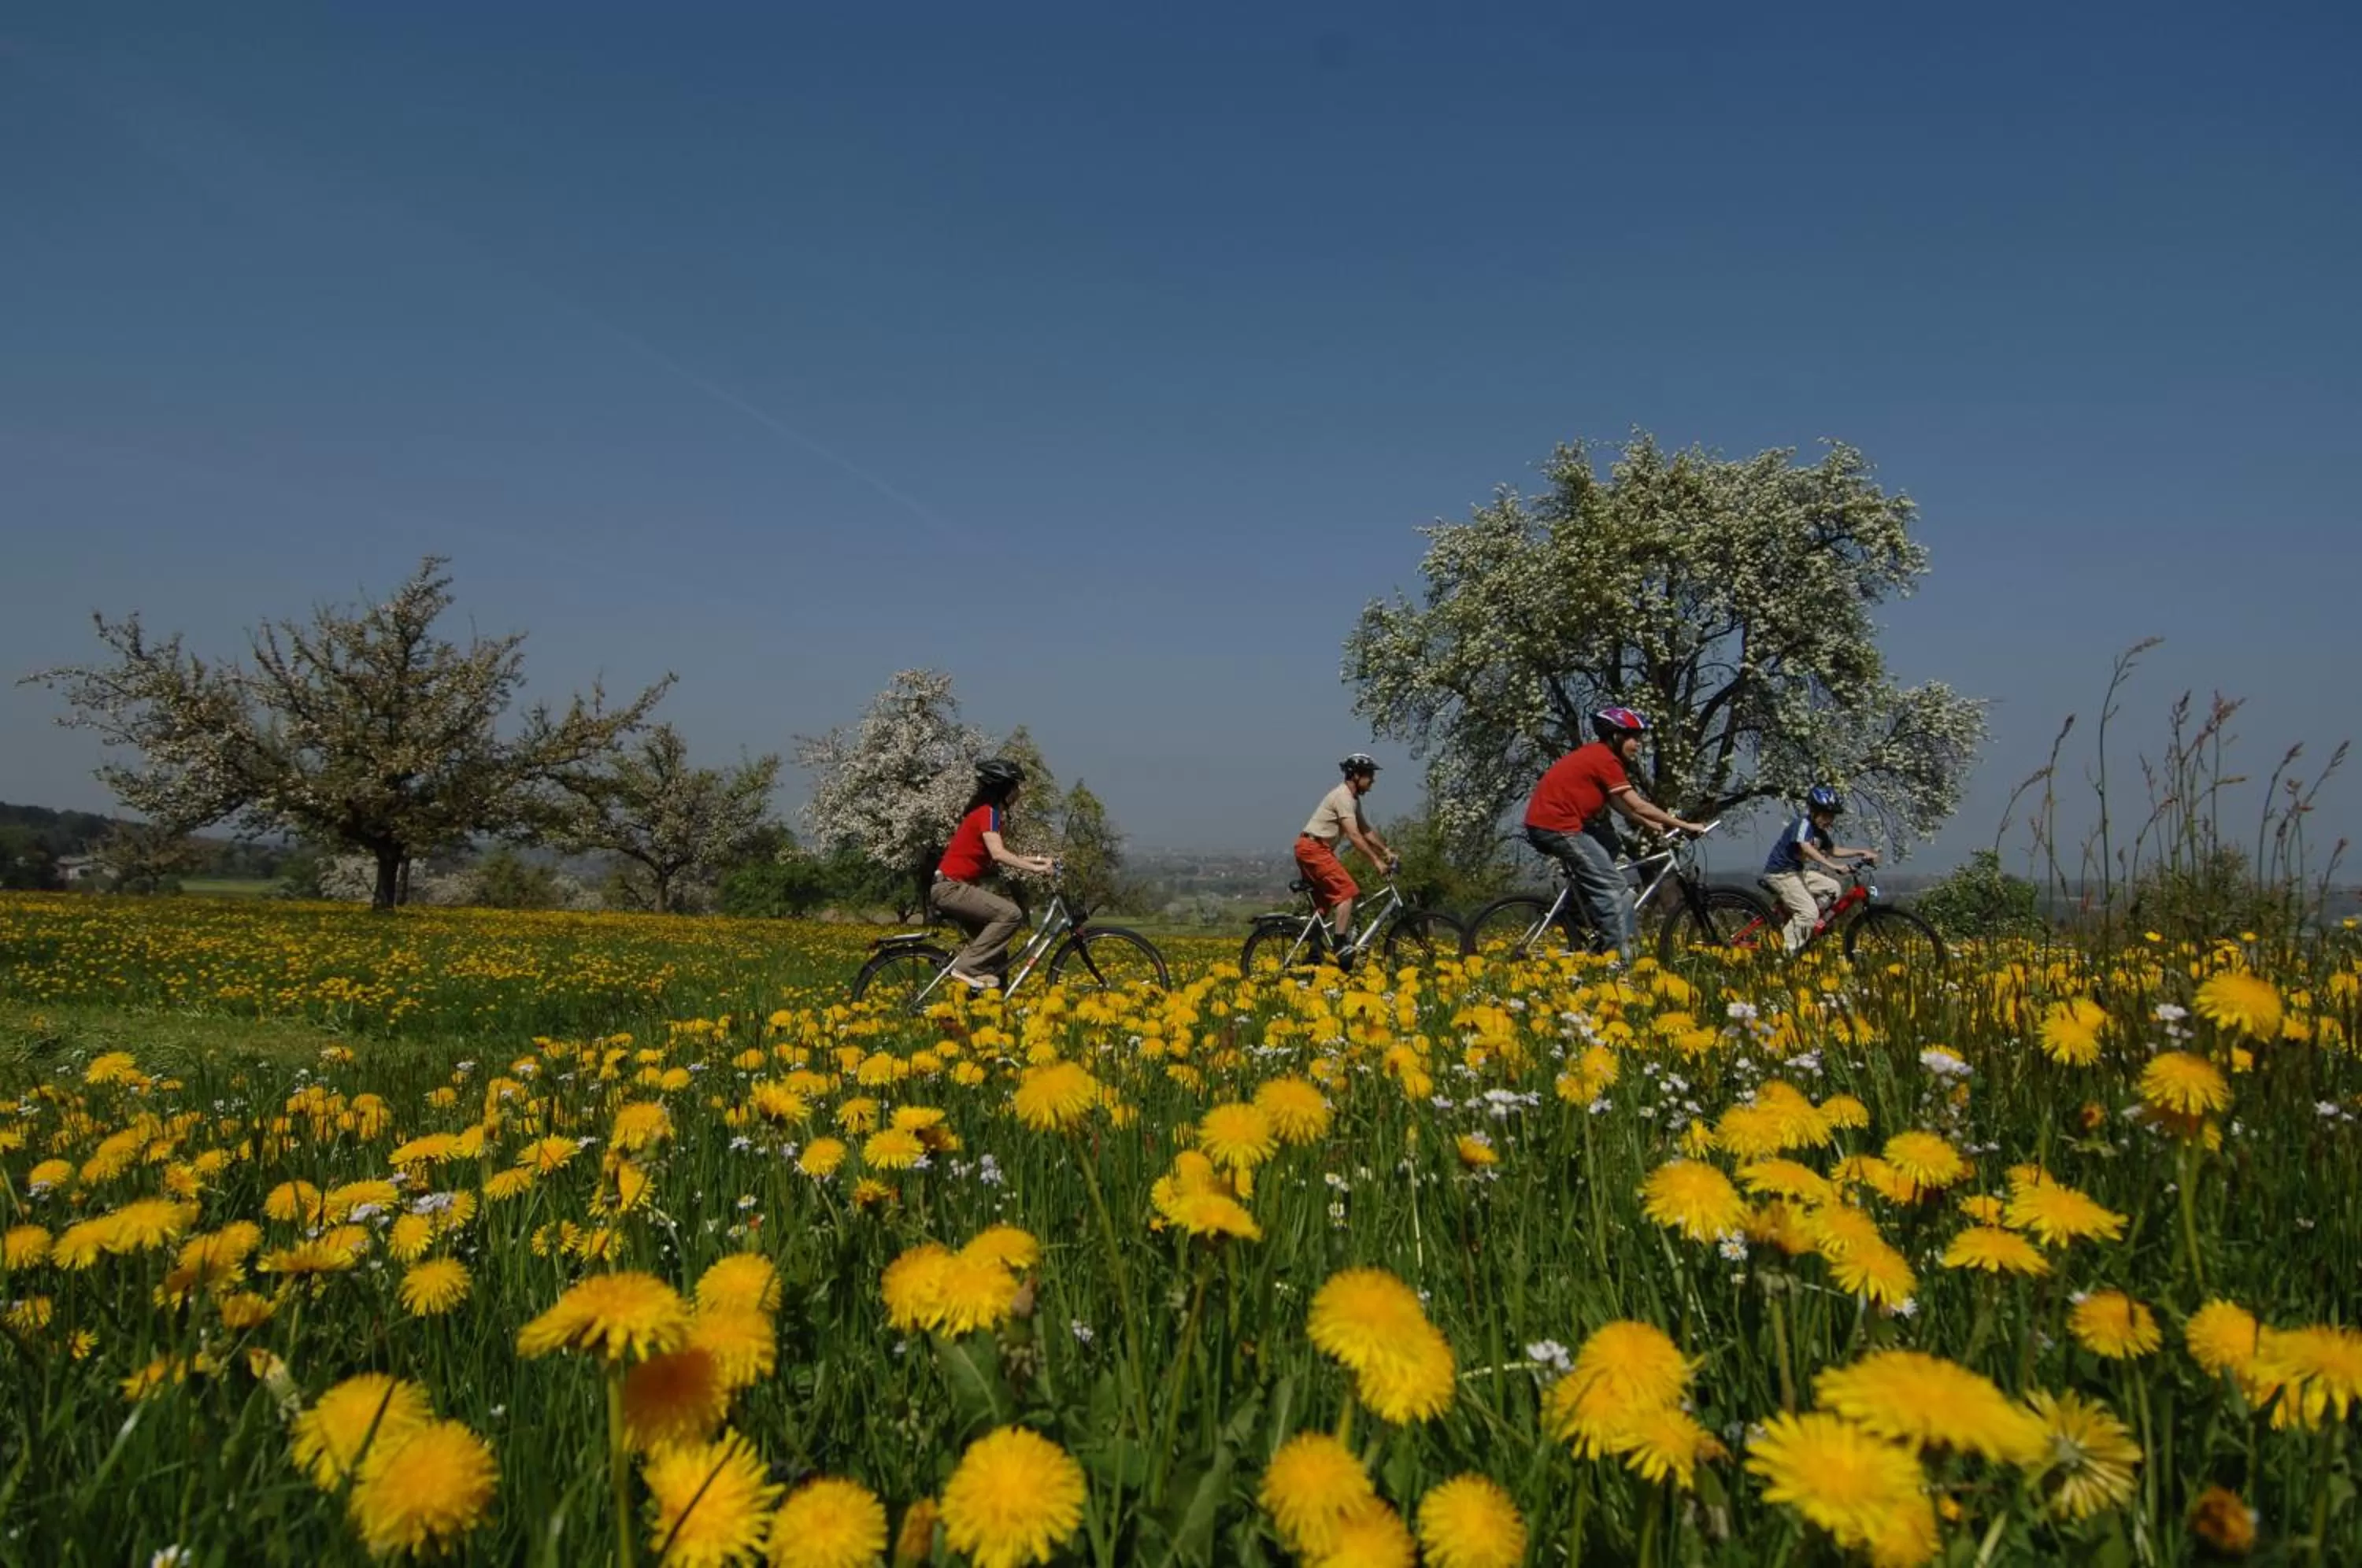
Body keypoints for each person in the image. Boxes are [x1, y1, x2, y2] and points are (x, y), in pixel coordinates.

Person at [1521, 707, 1708, 961]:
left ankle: (1579, 912)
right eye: (1633, 738)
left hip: (1554, 823)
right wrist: (1685, 824)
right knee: (1617, 891)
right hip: (1558, 826)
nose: (1638, 745)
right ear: (1616, 737)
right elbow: (1637, 803)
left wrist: (1650, 824)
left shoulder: (1600, 757)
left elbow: (1620, 805)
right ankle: (1619, 962)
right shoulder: (1605, 760)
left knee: (1610, 843)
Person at [931, 758, 1056, 990]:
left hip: (950, 887)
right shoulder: (988, 814)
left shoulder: (986, 814)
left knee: (996, 954)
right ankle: (965, 967)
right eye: (1016, 786)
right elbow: (999, 854)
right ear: (1004, 789)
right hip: (951, 888)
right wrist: (1036, 869)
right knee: (1011, 914)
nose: (1019, 792)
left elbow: (1000, 853)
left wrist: (1040, 861)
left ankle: (995, 1008)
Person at [1296, 753, 1398, 957]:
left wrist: (1385, 851)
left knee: (1324, 906)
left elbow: (1365, 830)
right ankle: (1340, 948)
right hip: (1314, 849)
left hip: (1314, 848)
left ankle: (1314, 955)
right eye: (1369, 775)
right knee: (1347, 893)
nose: (1373, 781)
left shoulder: (1352, 800)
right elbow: (1354, 835)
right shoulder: (1343, 797)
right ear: (1356, 775)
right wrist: (1376, 861)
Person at [1760, 784, 1879, 952]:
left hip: (1798, 873)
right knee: (1809, 914)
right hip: (1781, 874)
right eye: (1825, 815)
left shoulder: (1819, 831)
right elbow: (1806, 847)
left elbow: (1833, 850)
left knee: (1834, 889)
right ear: (1814, 811)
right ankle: (1782, 953)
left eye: (1832, 816)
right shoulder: (1803, 824)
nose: (1829, 820)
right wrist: (1834, 867)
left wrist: (1861, 852)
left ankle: (1800, 923)